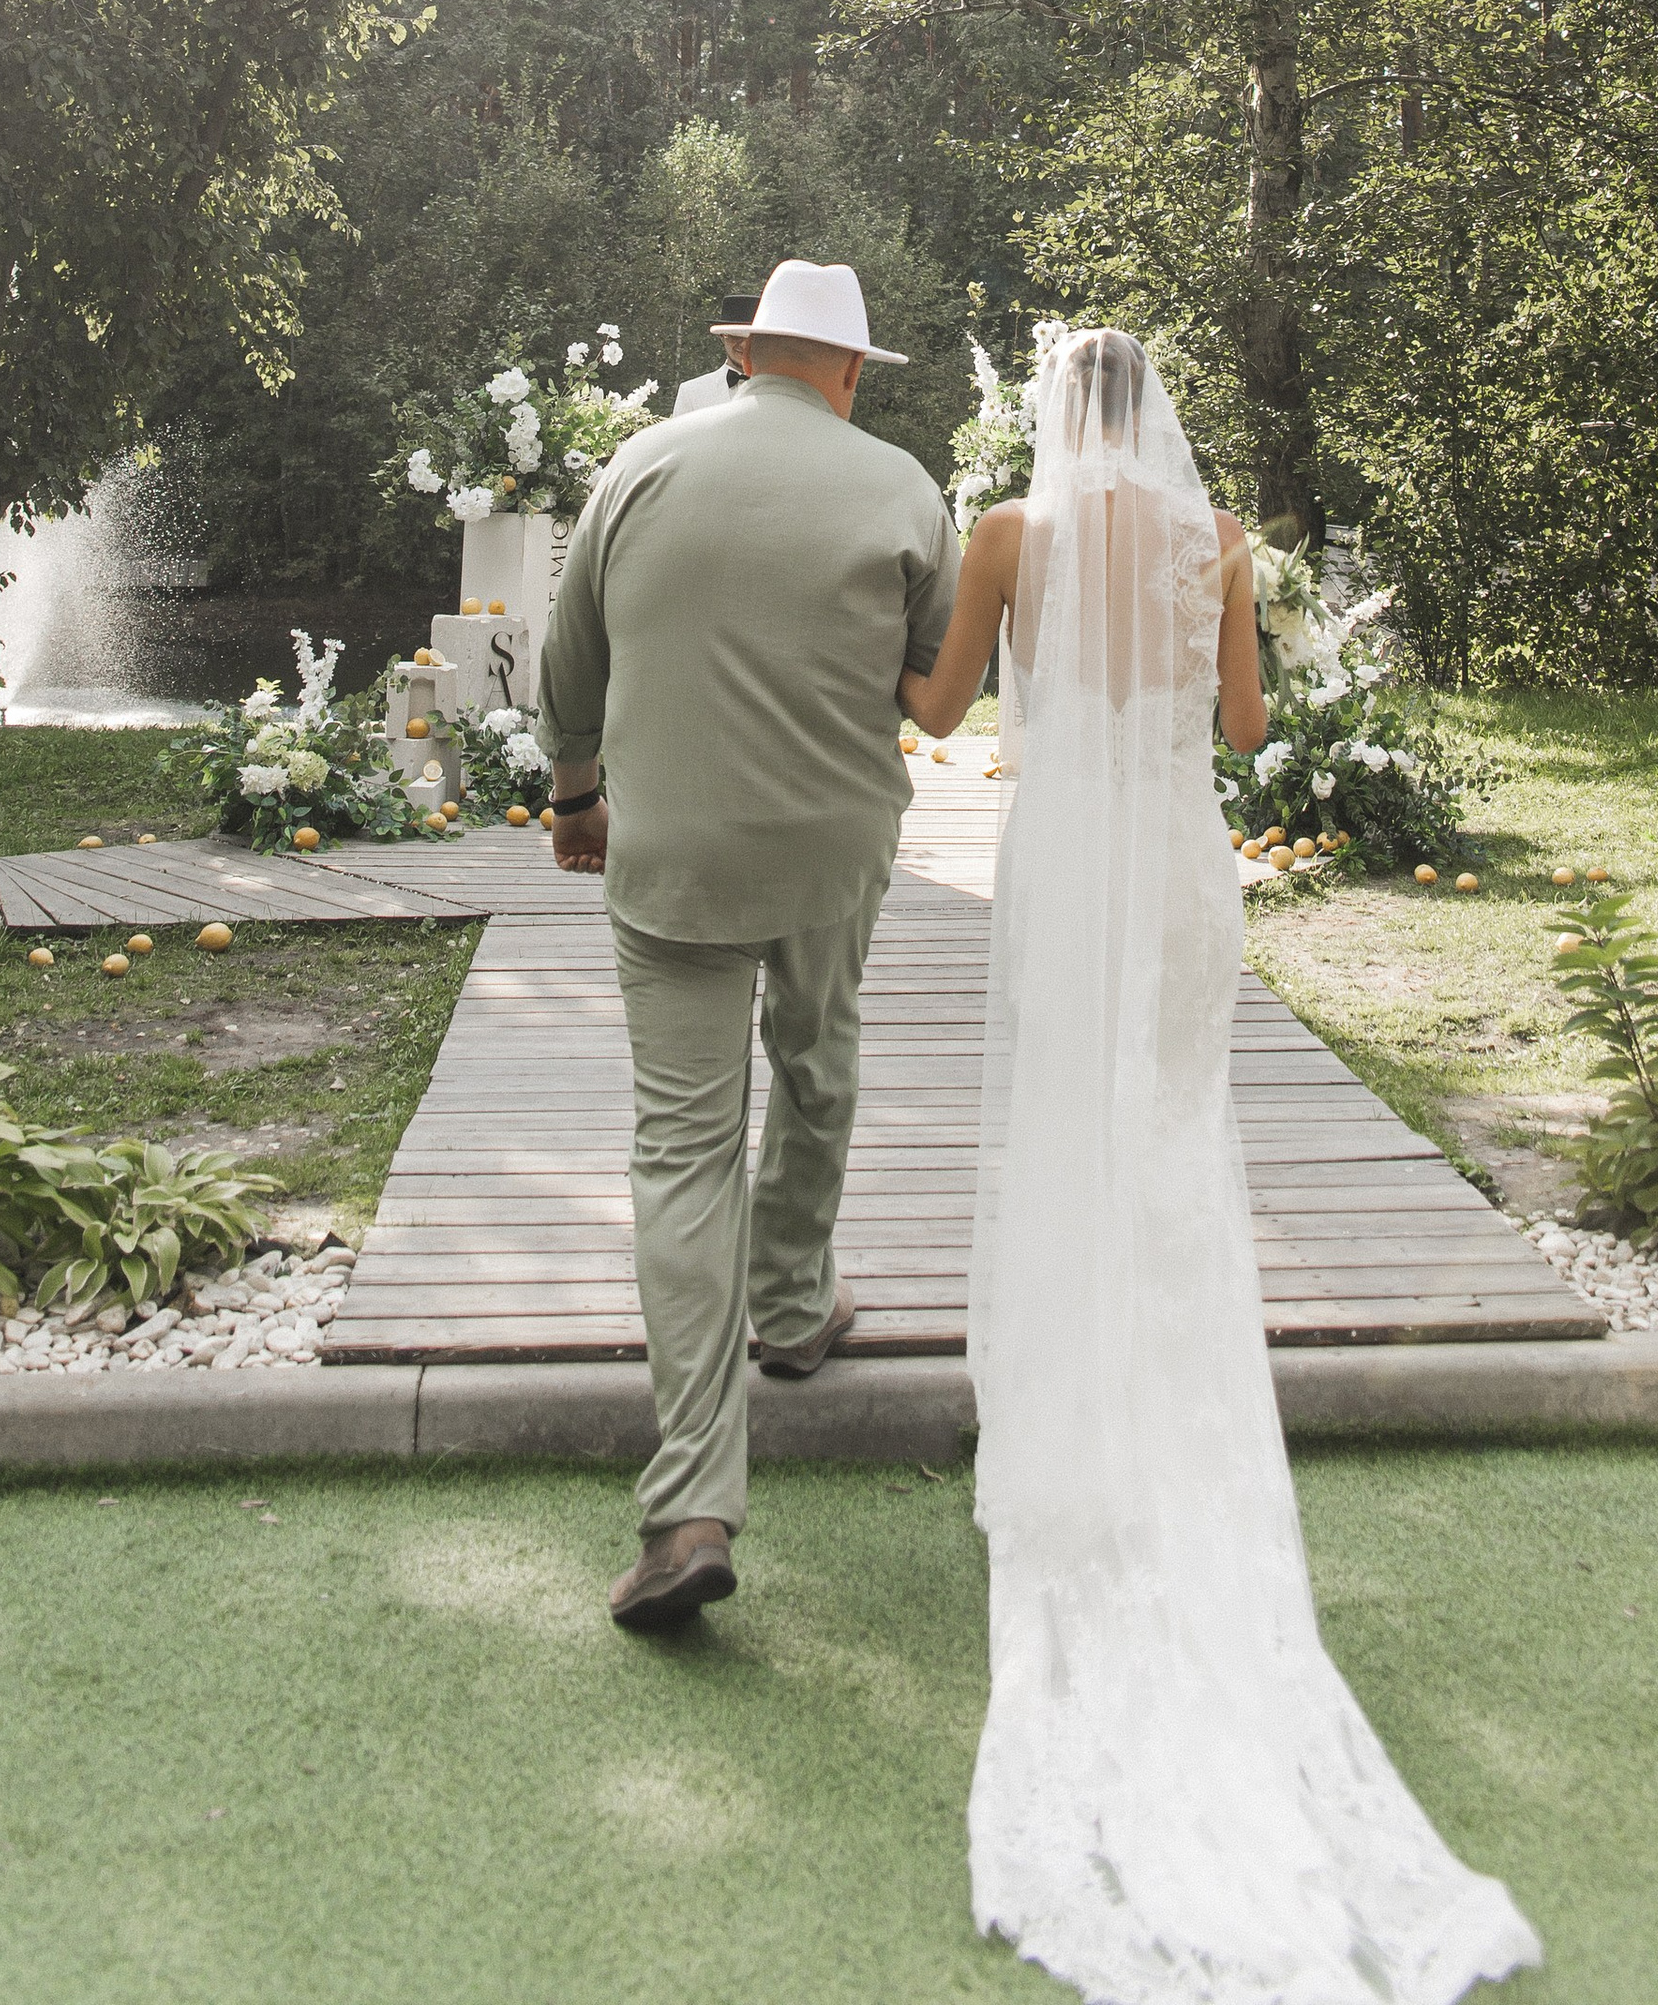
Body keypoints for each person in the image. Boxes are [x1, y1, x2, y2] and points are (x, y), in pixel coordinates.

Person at [900, 329, 1540, 2005]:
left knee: (1063, 1121)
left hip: (1067, 860)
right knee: (1175, 1139)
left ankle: (1064, 1418)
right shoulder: (1213, 543)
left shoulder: (1003, 538)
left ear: (1054, 415)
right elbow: (1249, 727)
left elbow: (940, 705)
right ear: (1156, 419)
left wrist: (874, 653)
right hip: (1179, 858)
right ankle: (1173, 1404)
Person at [536, 255, 961, 1632]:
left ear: (746, 353)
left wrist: (576, 791)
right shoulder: (899, 486)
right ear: (842, 371)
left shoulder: (642, 465)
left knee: (680, 1149)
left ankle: (691, 1507)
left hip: (671, 857)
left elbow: (570, 656)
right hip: (832, 855)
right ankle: (792, 1306)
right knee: (821, 1067)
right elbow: (936, 681)